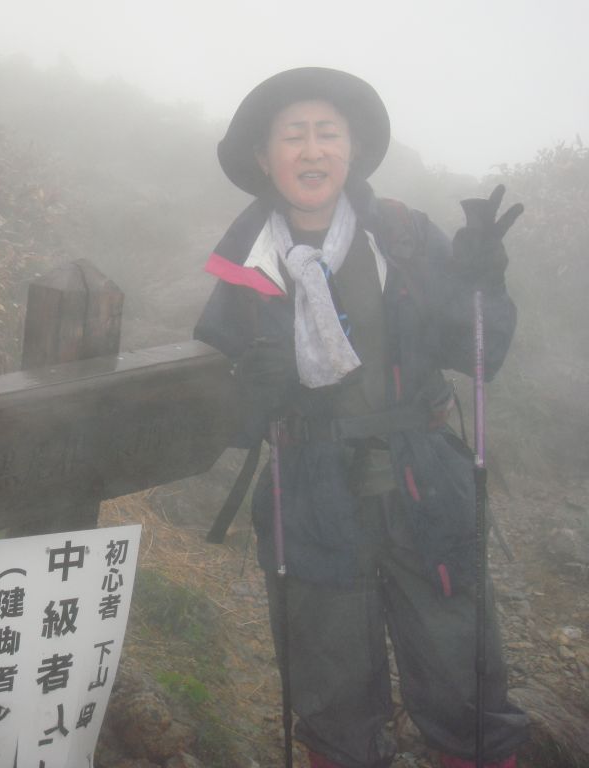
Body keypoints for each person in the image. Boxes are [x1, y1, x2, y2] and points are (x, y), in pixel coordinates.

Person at [194, 67, 529, 768]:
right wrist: (246, 391)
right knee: (331, 698)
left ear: (351, 150)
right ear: (264, 157)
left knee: (462, 677)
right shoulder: (244, 268)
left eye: (327, 134)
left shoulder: (404, 236)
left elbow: (474, 351)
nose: (312, 151)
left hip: (425, 478)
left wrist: (481, 280)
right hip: (310, 494)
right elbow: (222, 415)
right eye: (293, 136)